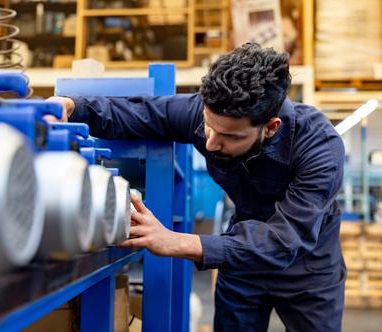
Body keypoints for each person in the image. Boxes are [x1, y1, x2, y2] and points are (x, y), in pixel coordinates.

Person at [48, 43, 346, 332]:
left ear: (271, 128)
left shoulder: (320, 149)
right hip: (241, 255)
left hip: (309, 269)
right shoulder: (209, 114)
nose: (211, 142)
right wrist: (73, 106)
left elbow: (283, 242)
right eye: (208, 125)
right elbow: (139, 114)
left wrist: (175, 241)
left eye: (229, 136)